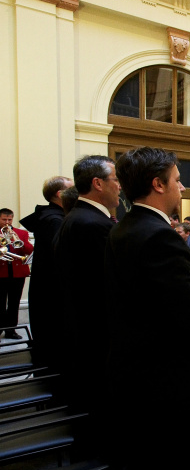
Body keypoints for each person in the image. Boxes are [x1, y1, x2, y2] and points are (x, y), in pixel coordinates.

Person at [105, 146, 190, 470]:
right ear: (157, 184)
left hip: (133, 367)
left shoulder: (122, 227)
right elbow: (185, 311)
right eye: (178, 180)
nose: (182, 188)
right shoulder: (160, 237)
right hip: (163, 376)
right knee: (170, 468)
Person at [54, 155, 119, 404]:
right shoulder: (92, 224)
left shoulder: (77, 217)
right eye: (115, 180)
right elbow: (106, 287)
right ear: (98, 183)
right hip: (97, 338)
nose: (120, 186)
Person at [19, 176, 73, 361]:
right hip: (51, 293)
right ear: (60, 194)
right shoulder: (54, 220)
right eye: (72, 189)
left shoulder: (51, 216)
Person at [0, 208, 34, 339]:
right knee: (0, 304)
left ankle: (11, 330)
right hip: (1, 273)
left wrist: (16, 239)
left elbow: (29, 250)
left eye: (9, 220)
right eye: (4, 220)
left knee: (14, 303)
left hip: (17, 273)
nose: (7, 222)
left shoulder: (20, 233)